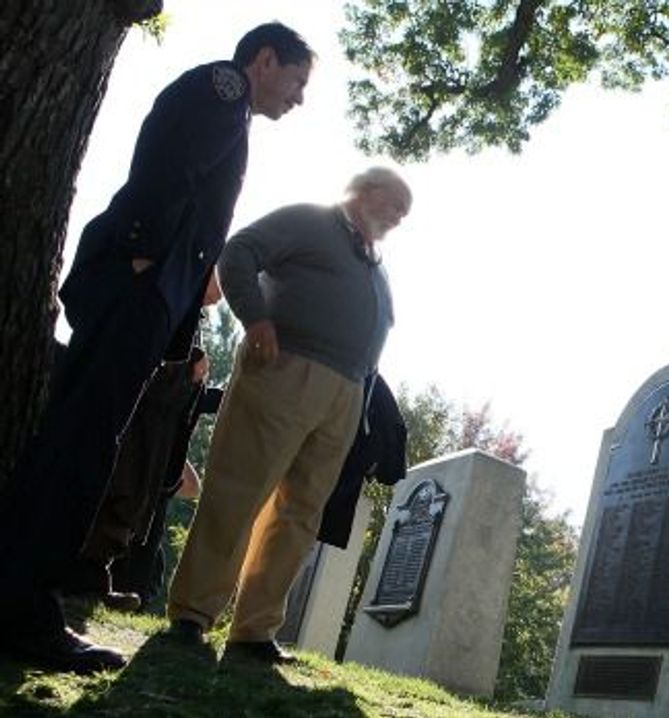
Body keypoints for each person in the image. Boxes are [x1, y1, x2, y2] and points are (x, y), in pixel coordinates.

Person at [0, 23, 314, 674]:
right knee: (82, 445)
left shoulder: (232, 110)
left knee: (82, 440)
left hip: (148, 295)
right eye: (297, 80)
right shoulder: (221, 90)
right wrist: (146, 257)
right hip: (134, 286)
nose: (299, 97)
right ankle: (25, 609)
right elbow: (168, 164)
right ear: (262, 60)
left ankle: (22, 592)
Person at [167, 167, 411, 664]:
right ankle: (192, 614)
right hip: (284, 368)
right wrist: (255, 318)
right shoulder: (310, 221)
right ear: (364, 190)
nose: (399, 218)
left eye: (405, 213)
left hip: (345, 393)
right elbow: (238, 252)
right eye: (395, 203)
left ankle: (254, 630)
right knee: (239, 491)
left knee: (300, 513)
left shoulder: (375, 262)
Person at [62, 275, 226, 612]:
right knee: (117, 483)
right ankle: (76, 575)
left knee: (133, 494)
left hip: (160, 419)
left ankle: (93, 576)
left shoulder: (190, 311)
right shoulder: (172, 291)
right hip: (138, 409)